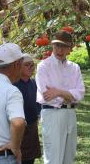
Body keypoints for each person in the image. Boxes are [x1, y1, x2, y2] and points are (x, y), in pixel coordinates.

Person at [35, 31, 85, 164]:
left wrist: (58, 92)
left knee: (69, 156)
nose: (60, 50)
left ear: (70, 48)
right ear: (52, 46)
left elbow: (80, 94)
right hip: (52, 113)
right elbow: (48, 96)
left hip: (70, 114)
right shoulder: (44, 66)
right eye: (57, 45)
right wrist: (69, 95)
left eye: (64, 46)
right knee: (53, 158)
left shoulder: (74, 68)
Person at [13, 53, 41, 164]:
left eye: (32, 65)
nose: (31, 67)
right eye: (27, 64)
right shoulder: (13, 85)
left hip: (32, 127)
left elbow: (38, 103)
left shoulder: (34, 83)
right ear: (18, 66)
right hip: (17, 129)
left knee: (29, 160)